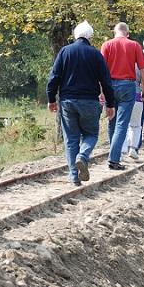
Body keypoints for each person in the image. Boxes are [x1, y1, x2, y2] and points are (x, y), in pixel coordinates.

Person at [46, 21, 116, 186]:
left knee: (71, 139)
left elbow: (54, 77)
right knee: (91, 135)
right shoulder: (96, 54)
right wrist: (110, 104)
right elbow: (106, 82)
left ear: (75, 35)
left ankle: (73, 176)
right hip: (90, 102)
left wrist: (51, 99)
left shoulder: (64, 52)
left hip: (67, 102)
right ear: (90, 36)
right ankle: (83, 156)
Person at [101, 22, 144, 170]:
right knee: (122, 123)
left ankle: (114, 154)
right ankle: (114, 159)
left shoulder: (106, 45)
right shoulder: (134, 45)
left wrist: (101, 91)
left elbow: (100, 70)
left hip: (109, 85)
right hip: (128, 86)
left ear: (114, 32)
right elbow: (143, 70)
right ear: (127, 33)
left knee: (112, 120)